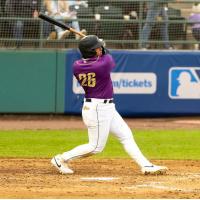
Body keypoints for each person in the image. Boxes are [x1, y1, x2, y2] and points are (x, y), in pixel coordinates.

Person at [51, 35, 168, 175]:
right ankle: (60, 158)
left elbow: (101, 53)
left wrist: (94, 44)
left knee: (126, 136)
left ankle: (146, 166)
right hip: (98, 109)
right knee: (95, 147)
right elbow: (108, 55)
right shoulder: (103, 64)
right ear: (92, 51)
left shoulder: (77, 65)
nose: (100, 49)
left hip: (104, 107)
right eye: (97, 48)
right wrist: (101, 45)